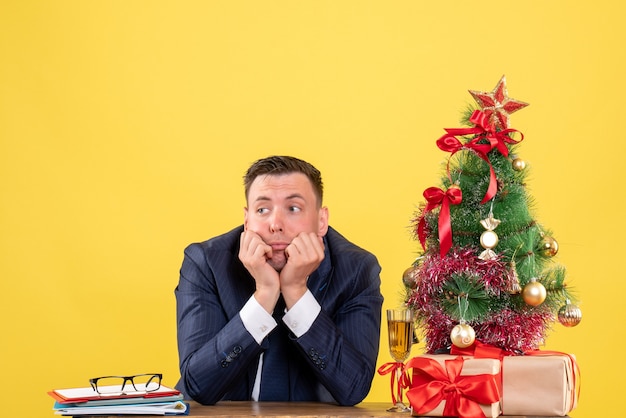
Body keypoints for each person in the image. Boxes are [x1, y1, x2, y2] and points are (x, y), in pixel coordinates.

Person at [174, 155, 383, 405]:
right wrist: (264, 294)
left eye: (293, 208)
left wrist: (296, 291)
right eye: (262, 210)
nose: (275, 224)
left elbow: (354, 388)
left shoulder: (357, 269)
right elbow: (197, 385)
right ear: (247, 219)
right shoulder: (205, 262)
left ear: (321, 221)